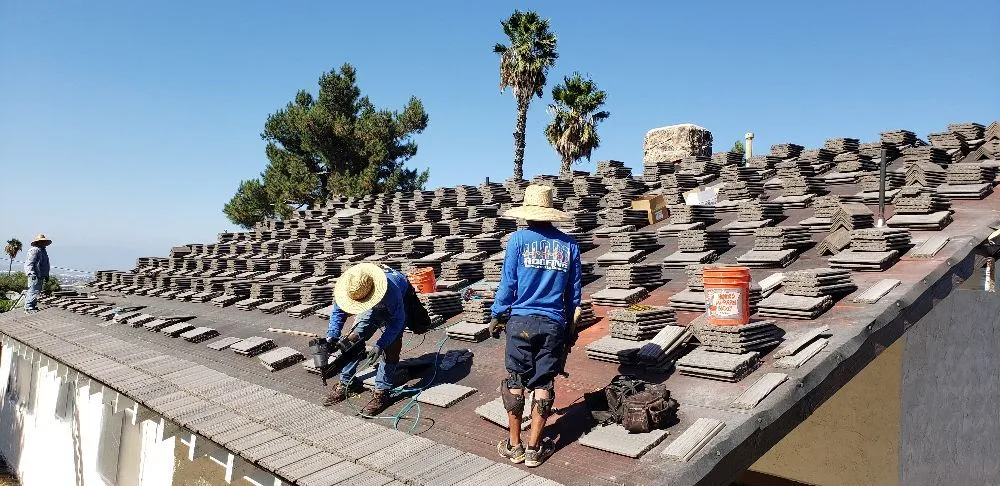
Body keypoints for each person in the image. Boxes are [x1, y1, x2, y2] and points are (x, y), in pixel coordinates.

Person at [489, 184, 582, 467]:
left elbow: (508, 284)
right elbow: (574, 296)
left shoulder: (517, 241)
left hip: (520, 322)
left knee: (515, 380)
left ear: (527, 213)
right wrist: (569, 330)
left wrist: (497, 314)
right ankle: (534, 448)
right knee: (543, 383)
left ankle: (514, 445)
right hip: (553, 323)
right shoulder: (569, 245)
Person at [323, 262, 409, 415]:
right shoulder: (349, 288)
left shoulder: (391, 291)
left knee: (392, 345)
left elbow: (397, 322)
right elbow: (338, 312)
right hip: (372, 301)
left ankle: (382, 392)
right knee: (351, 341)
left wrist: (380, 345)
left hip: (400, 299)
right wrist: (332, 336)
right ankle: (347, 383)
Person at [23, 234, 51, 314]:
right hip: (34, 274)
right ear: (38, 242)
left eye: (44, 241)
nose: (43, 243)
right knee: (33, 290)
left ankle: (32, 306)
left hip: (40, 275)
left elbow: (45, 264)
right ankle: (29, 307)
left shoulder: (43, 250)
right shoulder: (35, 250)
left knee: (36, 291)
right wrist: (31, 273)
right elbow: (29, 263)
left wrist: (46, 275)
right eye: (42, 241)